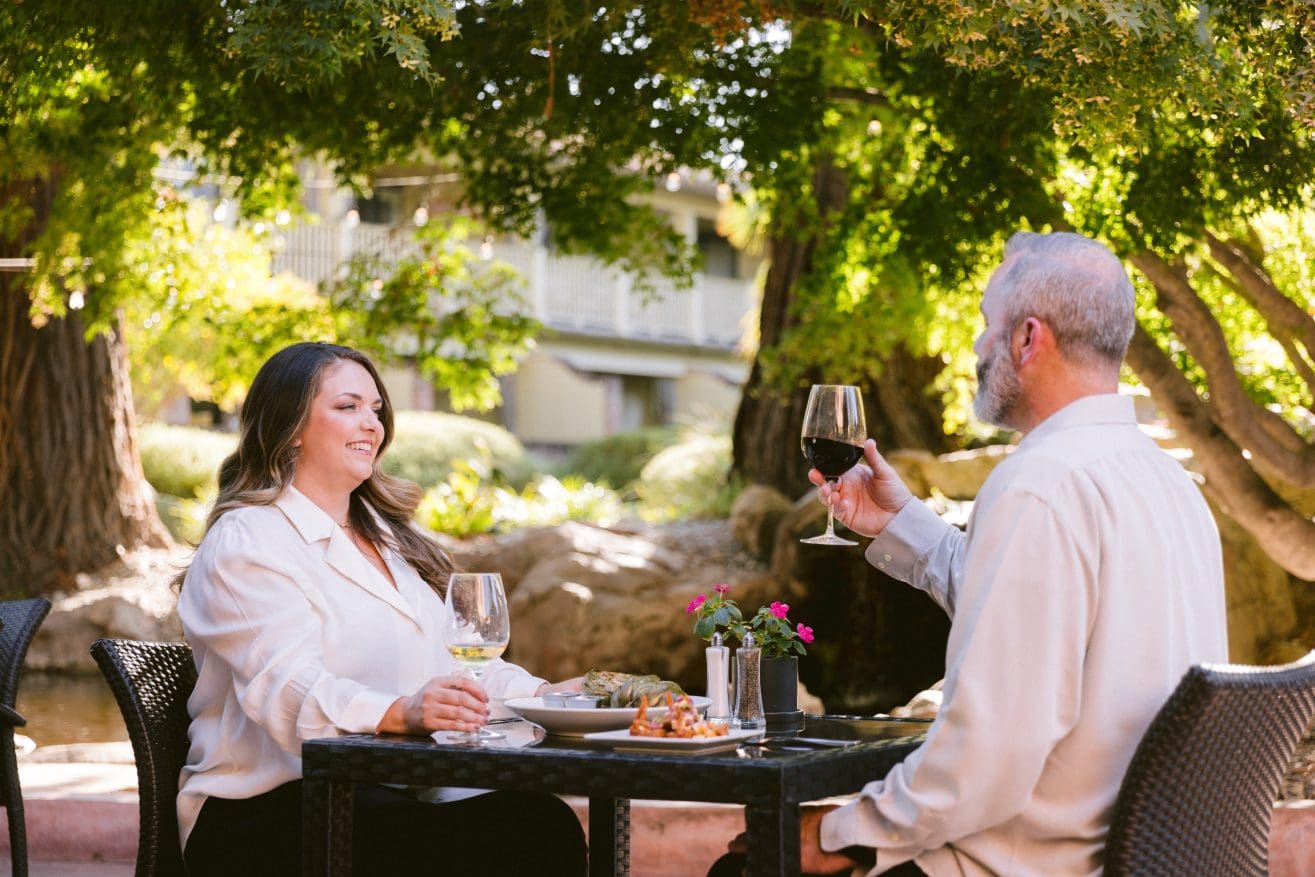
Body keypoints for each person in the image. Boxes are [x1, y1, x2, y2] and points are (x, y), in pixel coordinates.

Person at [716, 231, 1228, 876]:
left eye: (988, 326)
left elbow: (991, 753)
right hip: (1145, 856)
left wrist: (843, 832)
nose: (979, 346)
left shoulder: (1039, 485)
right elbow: (1037, 621)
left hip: (1022, 863)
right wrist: (899, 521)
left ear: (1027, 339)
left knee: (747, 865)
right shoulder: (1168, 483)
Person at [176, 342, 588, 876]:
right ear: (291, 426)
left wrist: (549, 699)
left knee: (538, 821)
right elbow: (288, 689)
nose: (370, 424)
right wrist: (402, 713)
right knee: (460, 840)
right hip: (264, 813)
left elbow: (457, 668)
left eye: (375, 409)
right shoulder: (248, 542)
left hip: (382, 795)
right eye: (347, 407)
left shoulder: (389, 543)